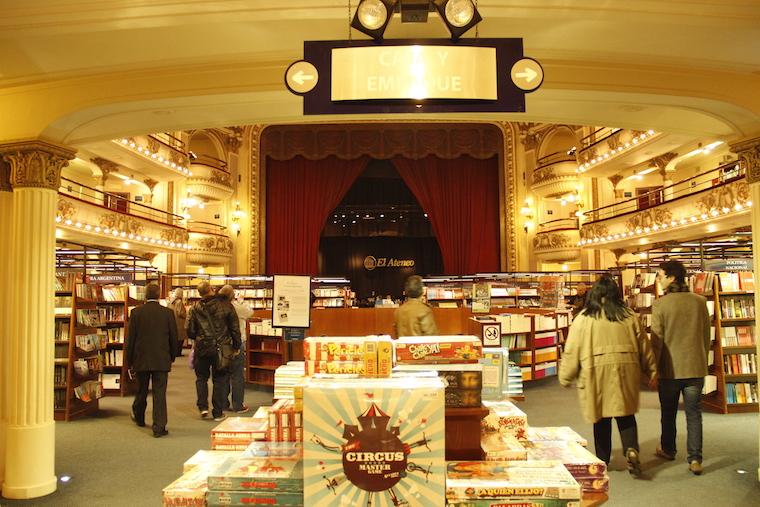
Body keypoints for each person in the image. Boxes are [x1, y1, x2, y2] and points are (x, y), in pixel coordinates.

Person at [559, 275, 657, 475]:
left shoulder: (584, 318)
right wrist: (652, 370)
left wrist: (566, 376)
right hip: (626, 370)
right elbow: (644, 346)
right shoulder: (629, 316)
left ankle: (603, 458)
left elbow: (572, 350)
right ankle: (631, 449)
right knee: (625, 414)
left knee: (600, 416)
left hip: (596, 371)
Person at [651, 260, 711, 475]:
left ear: (672, 277)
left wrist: (653, 368)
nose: (658, 280)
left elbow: (657, 341)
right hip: (695, 367)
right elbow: (706, 336)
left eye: (660, 275)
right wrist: (702, 359)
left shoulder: (660, 305)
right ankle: (695, 458)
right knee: (694, 414)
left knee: (668, 412)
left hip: (670, 369)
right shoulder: (700, 301)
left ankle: (668, 449)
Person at [125, 282, 179, 438]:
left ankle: (139, 417)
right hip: (161, 358)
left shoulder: (136, 313)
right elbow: (173, 337)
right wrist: (172, 356)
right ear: (158, 294)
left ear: (145, 295)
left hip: (141, 358)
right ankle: (159, 427)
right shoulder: (167, 313)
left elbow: (131, 339)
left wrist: (130, 360)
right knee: (159, 393)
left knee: (141, 390)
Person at [186, 281, 242, 422]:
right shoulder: (225, 305)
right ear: (211, 289)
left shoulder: (194, 308)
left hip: (202, 348)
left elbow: (190, 331)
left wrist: (200, 337)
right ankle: (217, 412)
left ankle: (203, 407)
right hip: (221, 348)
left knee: (201, 378)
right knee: (220, 379)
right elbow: (235, 328)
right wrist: (236, 346)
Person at [218, 285, 253, 414]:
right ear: (232, 296)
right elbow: (250, 312)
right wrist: (242, 301)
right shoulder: (237, 307)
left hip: (221, 344)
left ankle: (222, 403)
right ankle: (237, 405)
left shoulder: (216, 308)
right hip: (236, 343)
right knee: (237, 375)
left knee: (223, 374)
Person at [168, 287, 187, 356]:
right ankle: (178, 352)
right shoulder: (179, 302)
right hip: (179, 322)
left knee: (175, 338)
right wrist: (186, 315)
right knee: (180, 338)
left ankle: (175, 352)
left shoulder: (171, 301)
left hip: (173, 321)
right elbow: (180, 312)